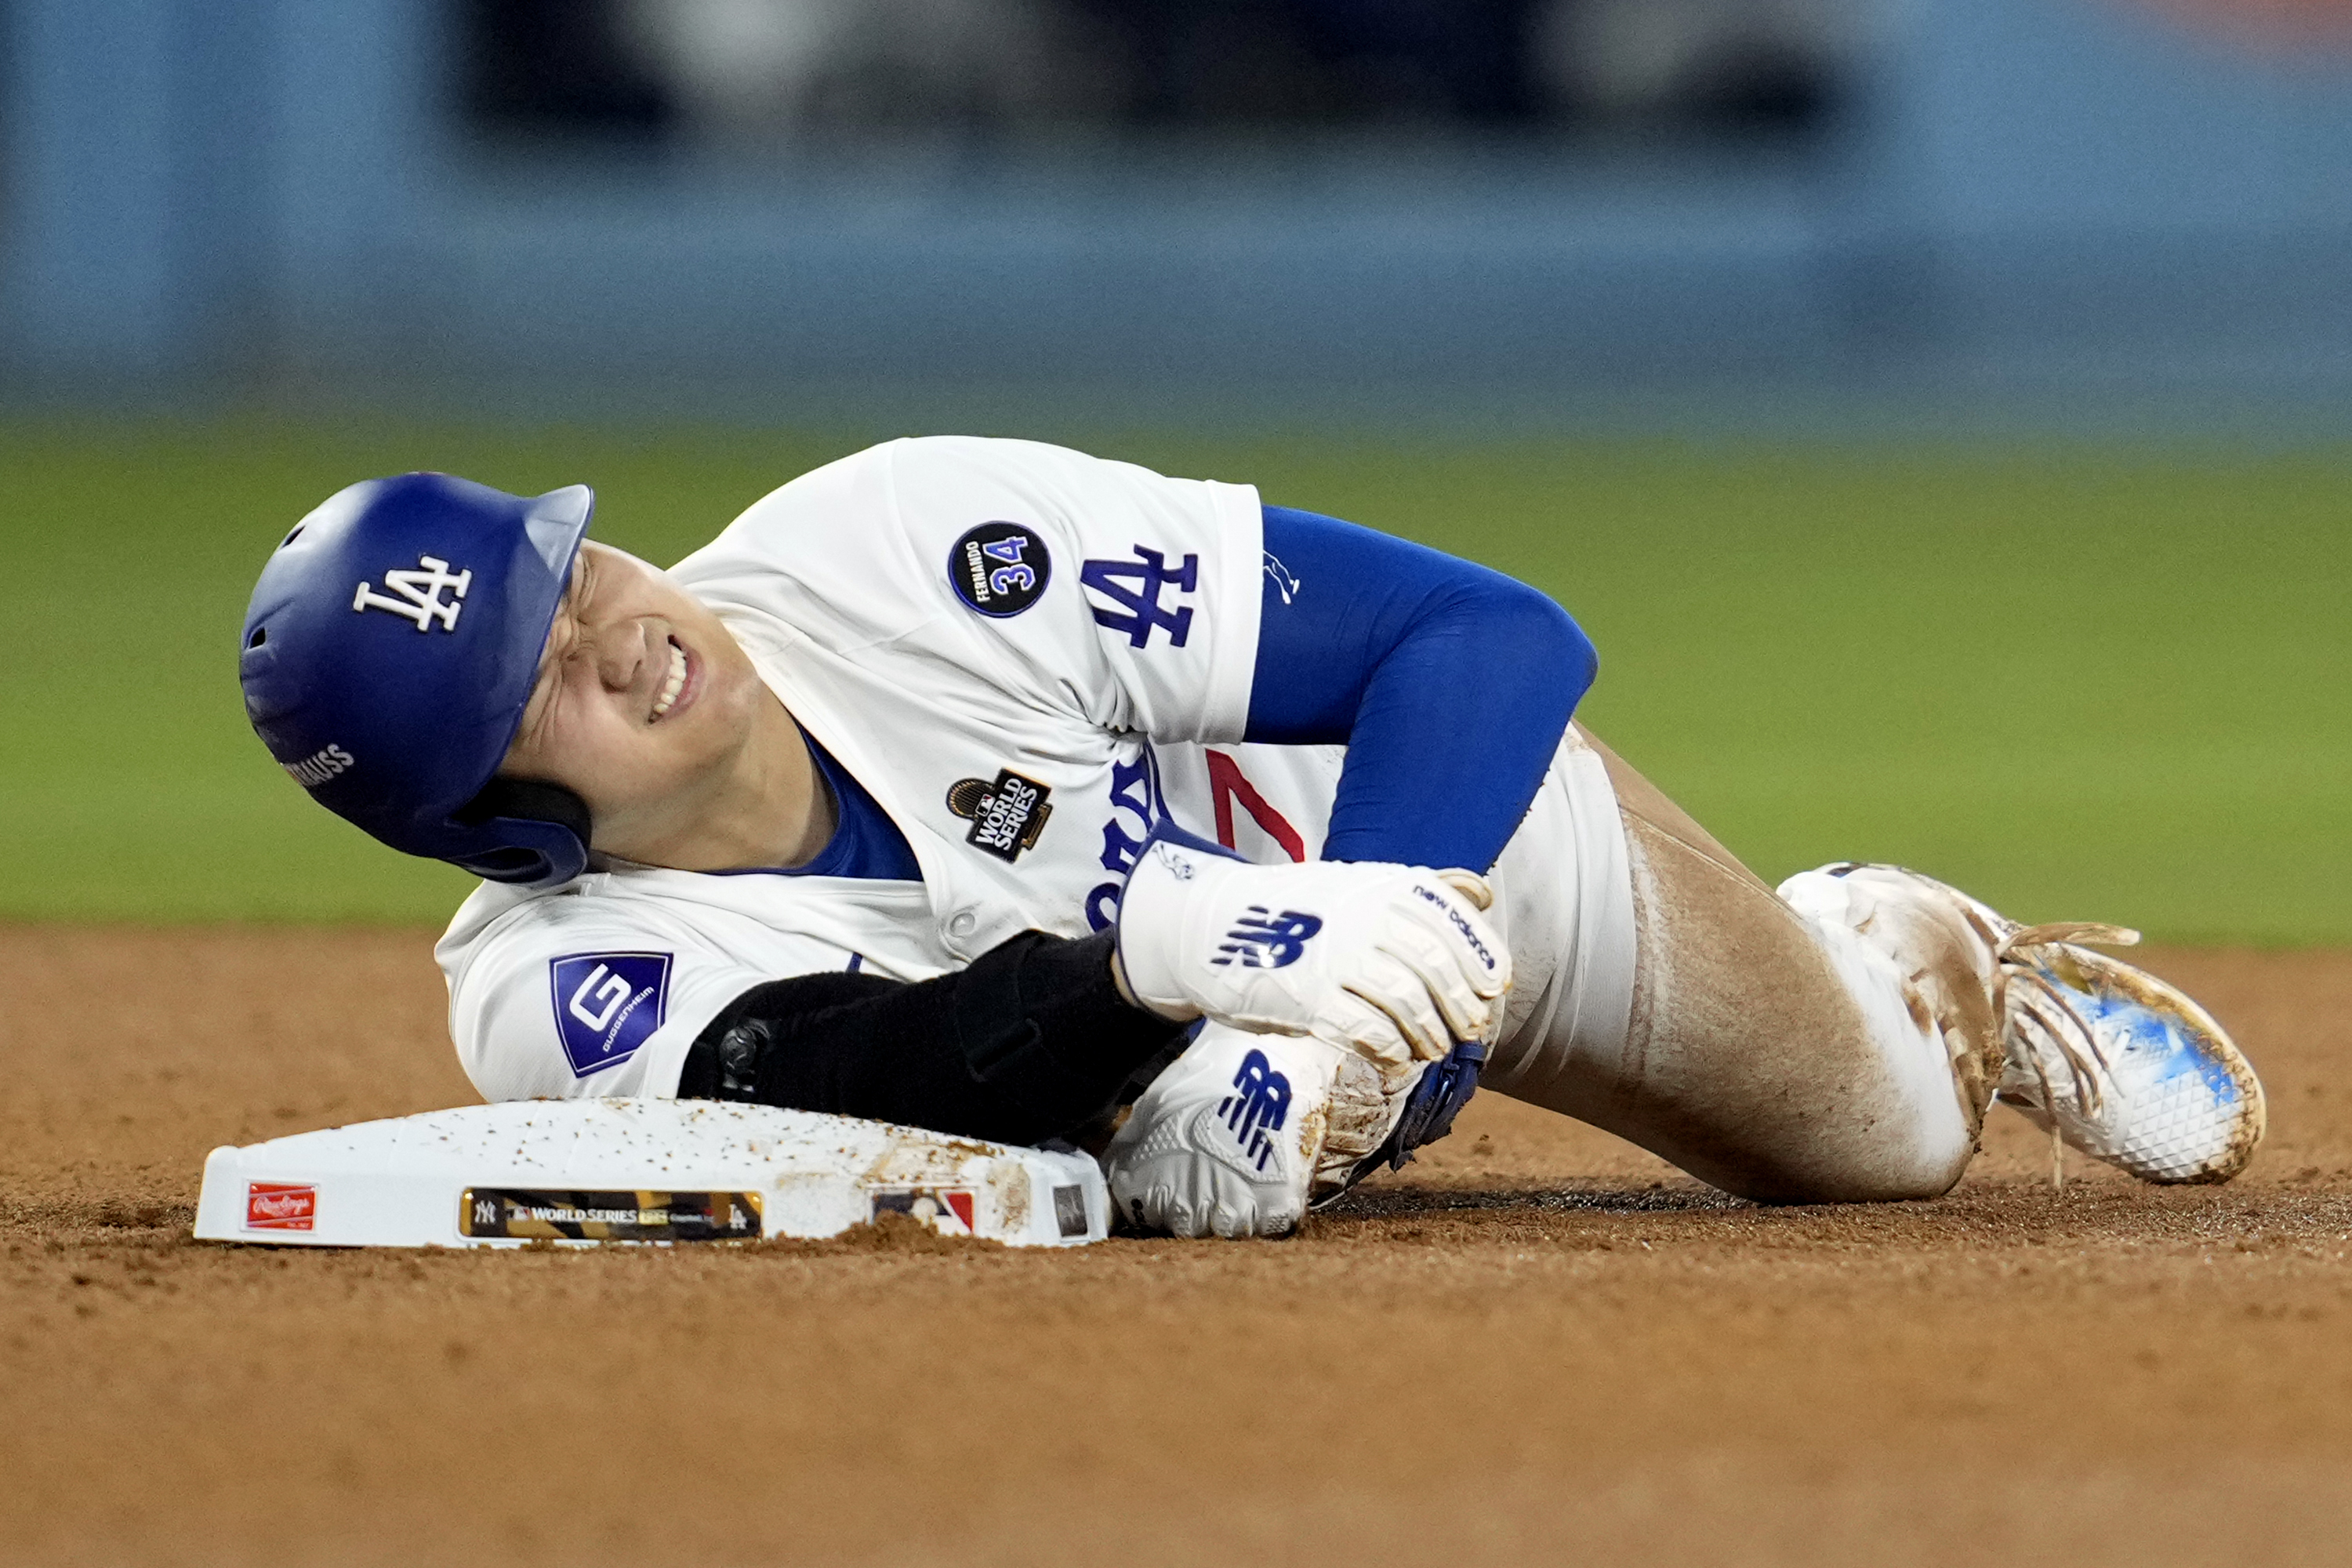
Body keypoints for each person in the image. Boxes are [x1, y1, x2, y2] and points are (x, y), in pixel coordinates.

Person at [238, 437, 2264, 1238]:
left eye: (572, 576)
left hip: (1448, 853)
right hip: (1186, 1031)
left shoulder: (901, 544)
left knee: (1885, 1151)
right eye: (545, 678)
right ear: (501, 825)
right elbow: (880, 1078)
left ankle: (1901, 948)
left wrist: (1335, 985)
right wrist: (1160, 984)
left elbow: (1483, 635)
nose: (630, 635)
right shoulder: (550, 995)